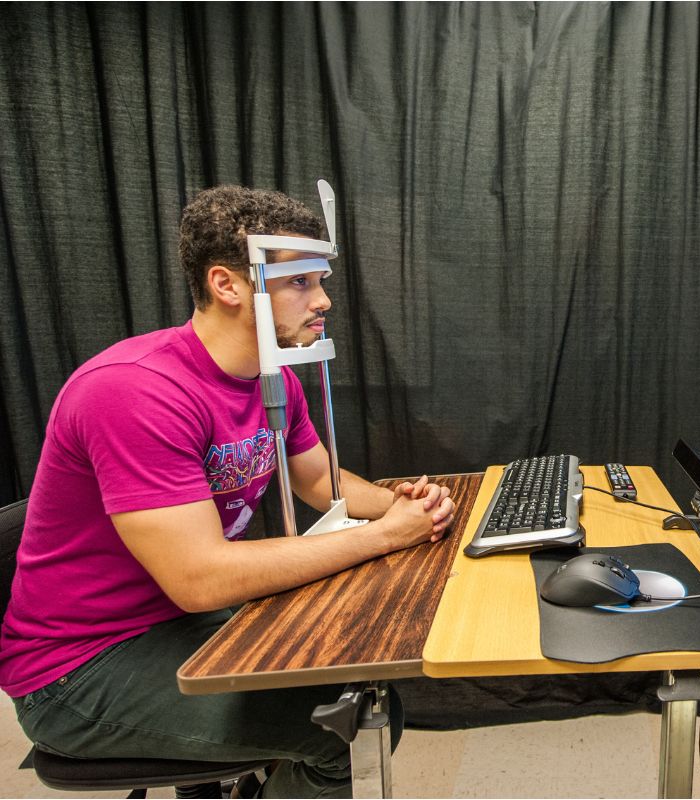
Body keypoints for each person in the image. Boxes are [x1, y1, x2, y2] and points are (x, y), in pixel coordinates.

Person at [0, 185, 455, 797]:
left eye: (320, 281)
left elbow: (321, 480)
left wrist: (404, 505)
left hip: (179, 620)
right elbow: (203, 579)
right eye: (299, 283)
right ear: (228, 284)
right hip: (81, 666)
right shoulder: (134, 392)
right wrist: (383, 536)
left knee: (350, 670)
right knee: (345, 727)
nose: (322, 301)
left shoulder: (271, 376)